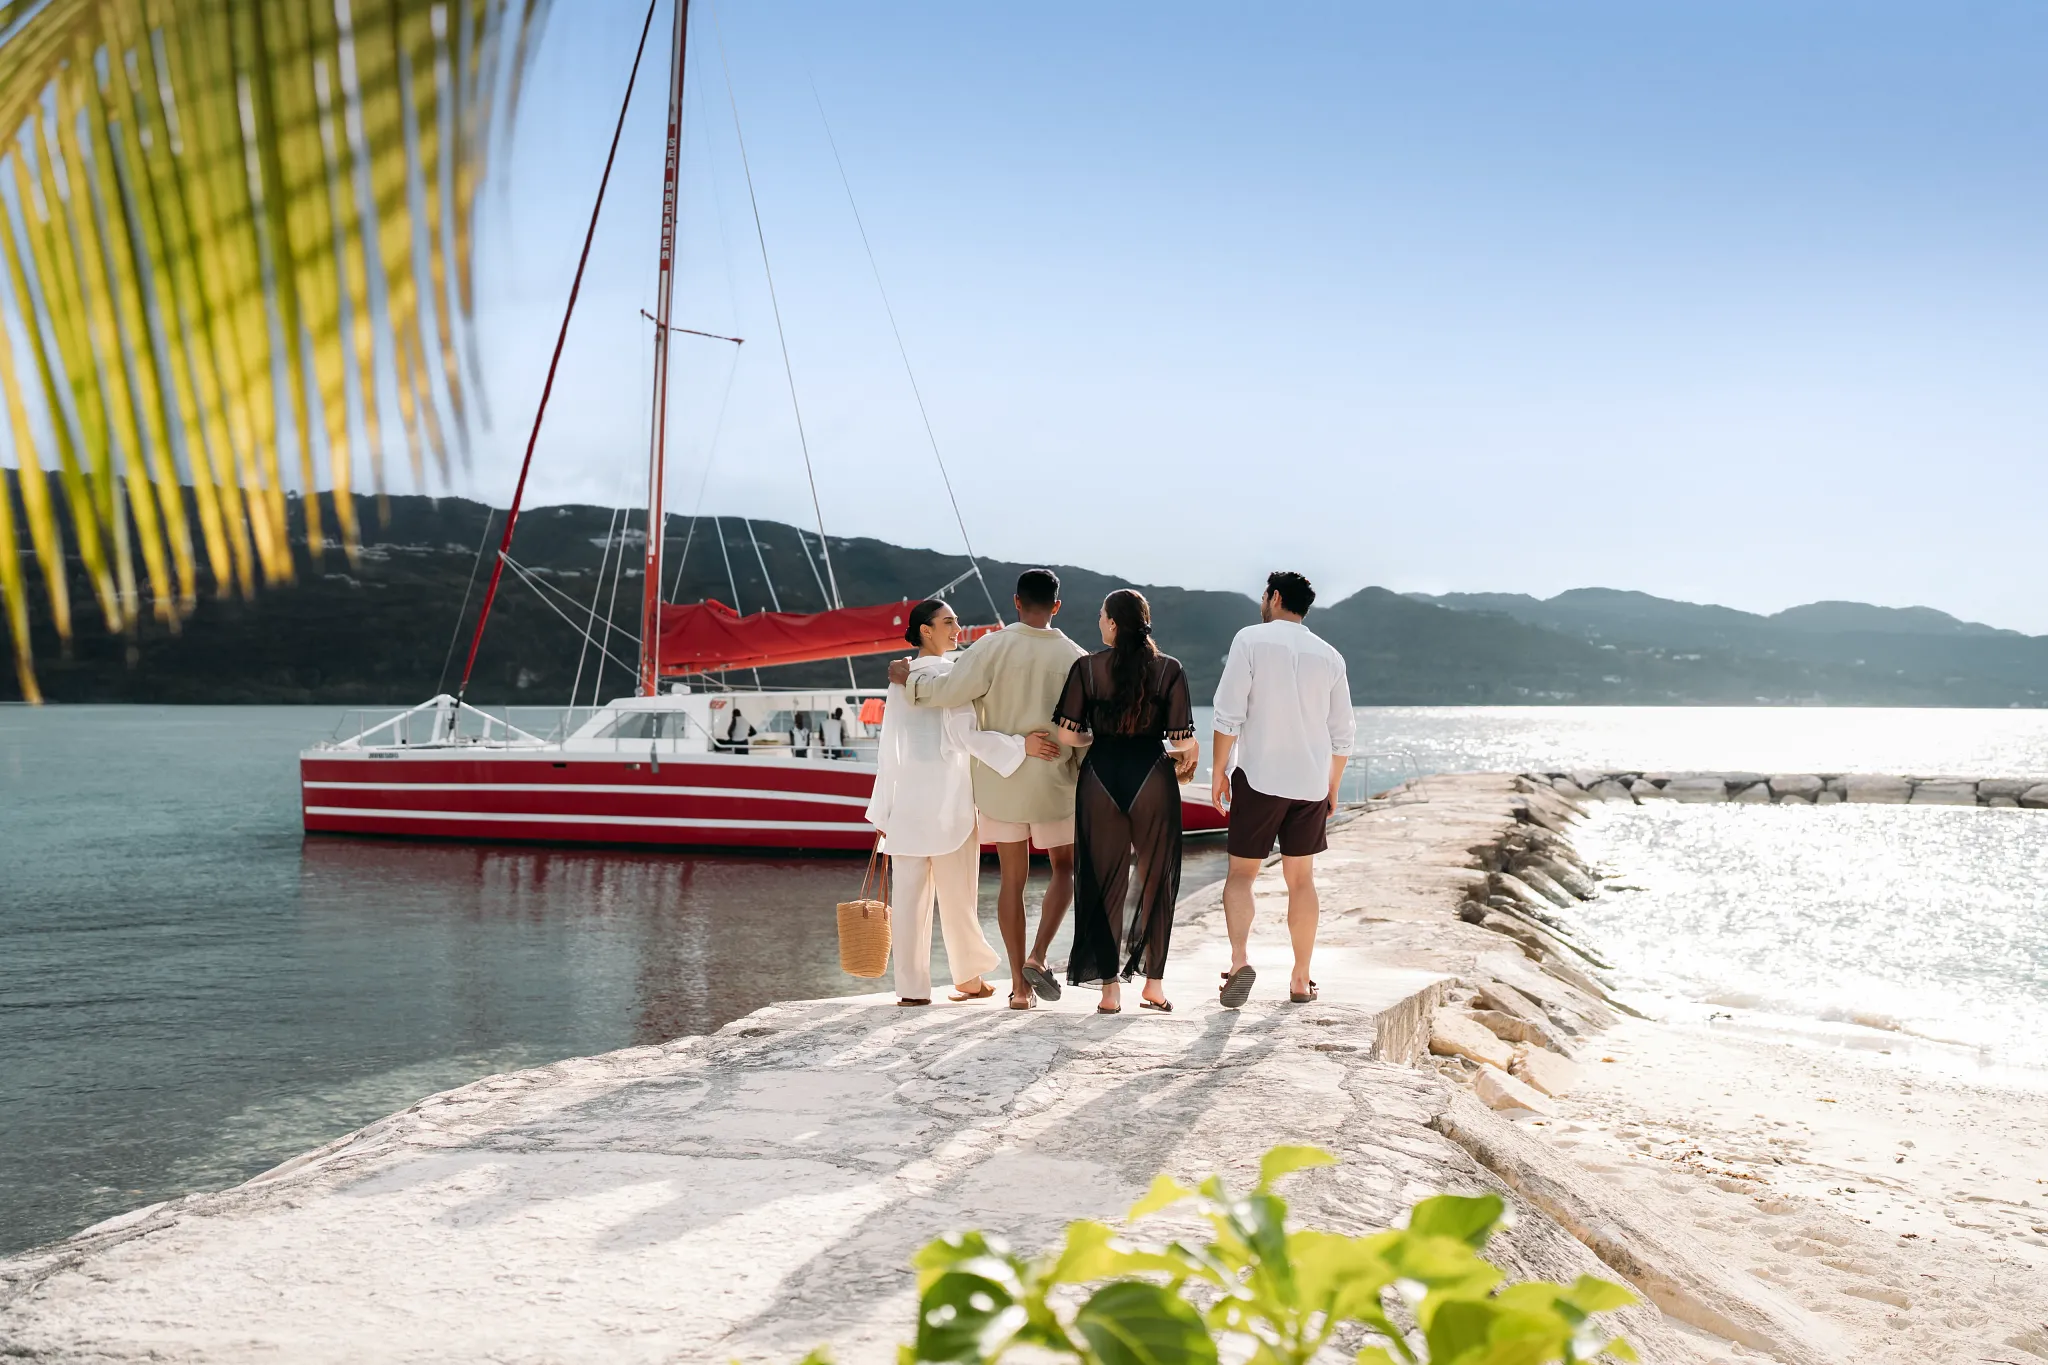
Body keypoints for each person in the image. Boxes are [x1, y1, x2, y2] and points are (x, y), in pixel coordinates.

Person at [889, 569, 1086, 1011]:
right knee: (1064, 869)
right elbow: (1083, 726)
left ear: (1016, 602)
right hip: (1054, 780)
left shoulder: (990, 646)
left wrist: (910, 680)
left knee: (1012, 880)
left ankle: (1019, 988)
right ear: (1057, 606)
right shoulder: (1077, 657)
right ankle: (1038, 955)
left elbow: (949, 691)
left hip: (1000, 783)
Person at [1209, 571, 1355, 1008]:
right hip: (1310, 783)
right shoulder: (1330, 656)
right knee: (1302, 880)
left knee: (1241, 875)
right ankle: (1300, 978)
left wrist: (1219, 771)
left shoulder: (1250, 639)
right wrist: (1332, 785)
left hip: (1258, 776)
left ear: (1274, 598)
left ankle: (1239, 961)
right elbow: (1343, 734)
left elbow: (1228, 713)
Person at [1052, 589, 1198, 1014]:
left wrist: (1095, 737)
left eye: (1102, 616)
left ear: (1114, 623)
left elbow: (1066, 734)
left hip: (1099, 775)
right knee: (1157, 879)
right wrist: (1189, 750)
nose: (1099, 622)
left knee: (1101, 882)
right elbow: (1181, 740)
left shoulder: (1087, 668)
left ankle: (1109, 991)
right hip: (1151, 774)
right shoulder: (1169, 669)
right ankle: (1153, 986)